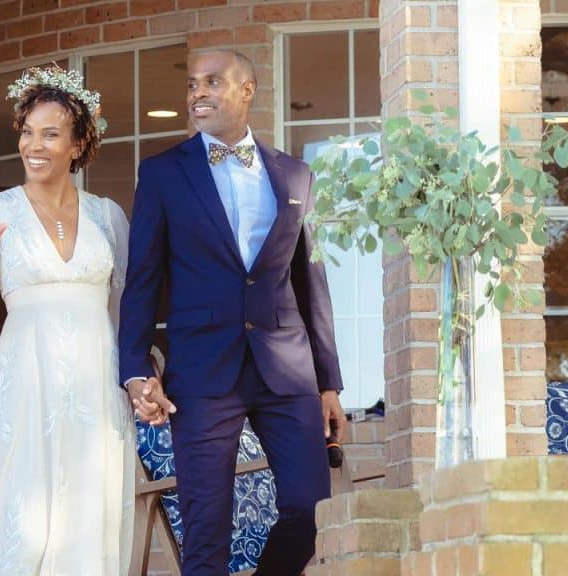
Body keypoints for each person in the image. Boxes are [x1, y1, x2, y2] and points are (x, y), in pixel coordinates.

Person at [118, 49, 348, 575]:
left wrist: (328, 383)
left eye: (212, 81)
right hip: (201, 374)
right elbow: (143, 281)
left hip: (286, 371)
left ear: (247, 90)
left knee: (310, 510)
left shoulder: (295, 176)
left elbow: (310, 284)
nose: (197, 92)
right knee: (205, 532)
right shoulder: (162, 174)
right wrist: (134, 368)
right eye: (192, 83)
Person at [0, 65, 135, 576]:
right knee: (19, 524)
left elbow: (130, 310)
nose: (35, 145)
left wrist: (139, 379)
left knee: (88, 524)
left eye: (50, 134)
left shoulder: (108, 217)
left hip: (96, 395)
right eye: (28, 132)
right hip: (26, 391)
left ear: (78, 144)